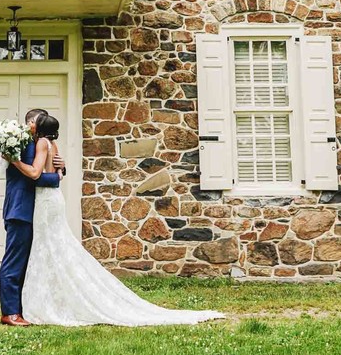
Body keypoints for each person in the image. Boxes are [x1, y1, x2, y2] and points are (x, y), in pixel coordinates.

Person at [17, 114, 224, 327]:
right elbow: (56, 170)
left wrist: (14, 161)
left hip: (46, 200)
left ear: (40, 127)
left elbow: (35, 173)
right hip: (53, 199)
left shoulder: (42, 143)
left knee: (49, 243)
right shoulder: (53, 144)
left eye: (33, 122)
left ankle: (49, 299)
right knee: (53, 244)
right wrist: (60, 173)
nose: (30, 125)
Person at [0, 108, 64, 327]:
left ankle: (22, 307)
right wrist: (55, 177)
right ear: (30, 122)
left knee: (29, 261)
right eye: (39, 121)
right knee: (14, 262)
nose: (40, 125)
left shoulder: (39, 142)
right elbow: (34, 176)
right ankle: (10, 312)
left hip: (34, 209)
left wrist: (61, 168)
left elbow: (43, 168)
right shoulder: (18, 143)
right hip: (20, 209)